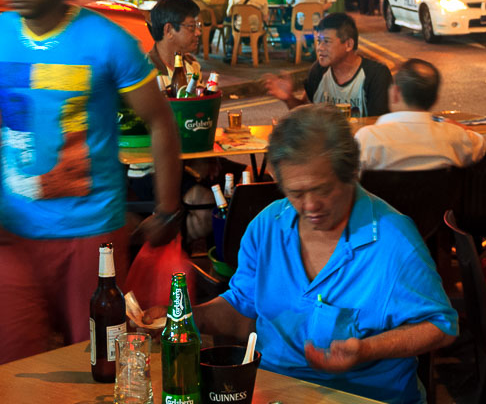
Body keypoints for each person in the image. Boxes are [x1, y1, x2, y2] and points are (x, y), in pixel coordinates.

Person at [0, 0, 182, 369]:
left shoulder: (107, 40)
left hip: (93, 236)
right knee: (6, 365)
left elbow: (161, 121)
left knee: (101, 365)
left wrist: (166, 207)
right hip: (11, 235)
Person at [137, 105, 456, 404]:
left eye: (322, 189)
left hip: (363, 396)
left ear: (351, 173)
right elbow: (243, 308)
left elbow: (440, 326)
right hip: (273, 391)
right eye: (296, 193)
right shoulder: (267, 227)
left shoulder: (392, 240)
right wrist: (184, 318)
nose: (310, 206)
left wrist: (367, 349)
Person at [355, 59, 486, 172]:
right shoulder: (456, 137)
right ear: (435, 99)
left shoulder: (367, 139)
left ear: (396, 93)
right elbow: (480, 144)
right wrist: (459, 128)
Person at [265, 13, 392, 117]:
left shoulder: (376, 75)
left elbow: (379, 125)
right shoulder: (318, 71)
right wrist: (289, 98)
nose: (320, 48)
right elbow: (306, 112)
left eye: (326, 42)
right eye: (319, 41)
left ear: (348, 44)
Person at [147, 0, 202, 87]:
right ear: (168, 30)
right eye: (192, 27)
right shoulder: (147, 72)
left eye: (198, 26)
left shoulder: (192, 65)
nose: (198, 32)